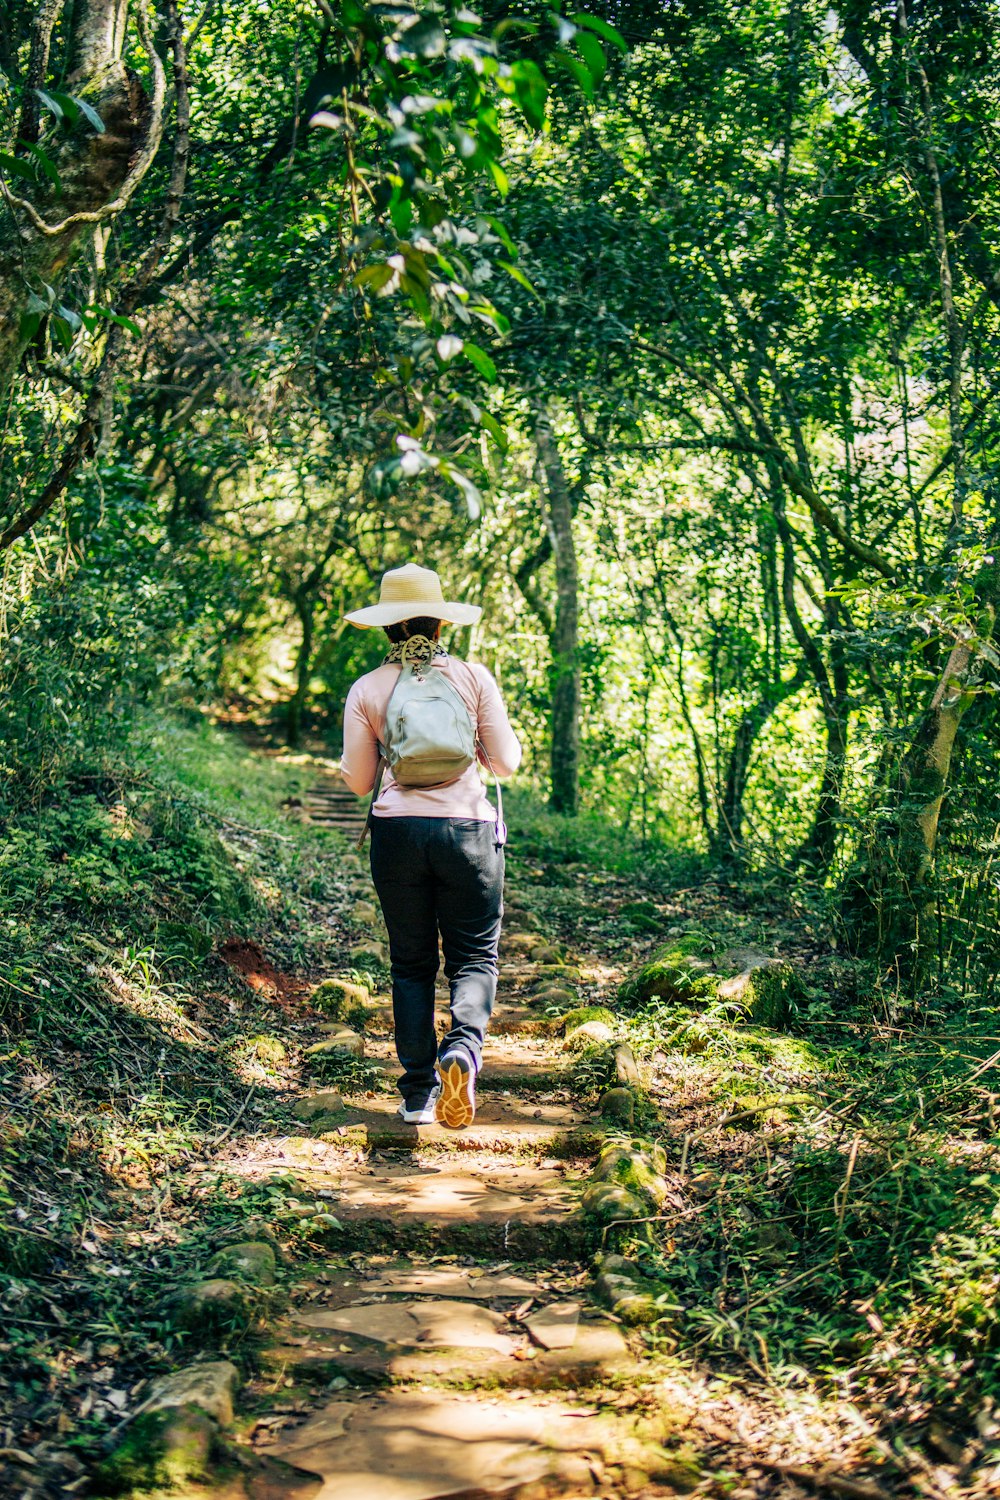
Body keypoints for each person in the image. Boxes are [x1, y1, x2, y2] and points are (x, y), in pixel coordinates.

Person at [339, 564, 522, 1128]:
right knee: (473, 956)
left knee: (411, 964)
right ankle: (463, 1051)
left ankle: (418, 1092)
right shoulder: (473, 678)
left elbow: (359, 781)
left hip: (398, 835)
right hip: (467, 832)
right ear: (442, 624)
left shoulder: (368, 688)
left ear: (386, 628)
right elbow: (507, 765)